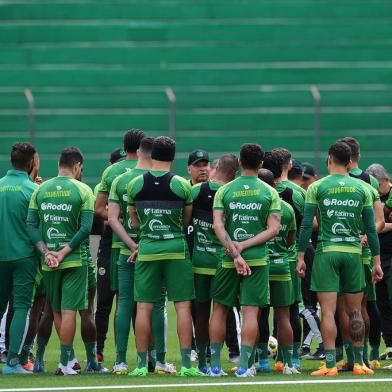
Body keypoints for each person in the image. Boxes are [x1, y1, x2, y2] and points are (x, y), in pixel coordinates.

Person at [297, 141, 383, 376]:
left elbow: (306, 225)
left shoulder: (317, 186)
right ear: (351, 161)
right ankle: (358, 363)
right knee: (355, 311)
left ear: (329, 159)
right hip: (354, 253)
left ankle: (331, 364)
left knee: (328, 311)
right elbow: (371, 229)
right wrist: (375, 262)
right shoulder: (363, 188)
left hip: (327, 251)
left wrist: (301, 256)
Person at [127, 136, 203, 377]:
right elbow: (186, 221)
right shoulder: (182, 185)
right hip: (176, 249)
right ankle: (186, 366)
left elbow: (134, 220)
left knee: (144, 307)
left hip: (148, 249)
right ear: (172, 157)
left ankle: (140, 365)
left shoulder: (135, 184)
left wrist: (149, 232)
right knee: (182, 307)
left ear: (152, 155)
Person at [209, 143, 281, 377]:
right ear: (261, 164)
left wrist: (235, 252)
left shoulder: (224, 191)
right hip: (257, 260)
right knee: (251, 313)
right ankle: (243, 368)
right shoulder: (270, 192)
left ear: (239, 162)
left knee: (219, 310)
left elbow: (218, 226)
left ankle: (215, 367)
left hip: (228, 258)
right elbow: (274, 229)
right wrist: (245, 247)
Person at [27, 147, 96, 376]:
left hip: (48, 261)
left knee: (55, 311)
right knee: (68, 312)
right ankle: (65, 364)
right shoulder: (84, 190)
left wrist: (47, 252)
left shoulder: (41, 189)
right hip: (74, 260)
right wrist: (64, 252)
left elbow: (31, 226)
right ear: (77, 166)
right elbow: (86, 228)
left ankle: (65, 362)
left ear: (59, 164)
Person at [95, 130, 145, 362]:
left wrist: (117, 217)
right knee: (143, 302)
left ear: (124, 148)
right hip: (145, 243)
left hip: (116, 243)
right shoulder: (150, 170)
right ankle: (148, 356)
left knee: (112, 302)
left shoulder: (112, 171)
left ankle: (109, 354)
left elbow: (98, 209)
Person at [336, 137, 384, 370]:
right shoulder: (370, 180)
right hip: (362, 254)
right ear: (359, 155)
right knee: (360, 306)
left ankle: (353, 357)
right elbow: (379, 222)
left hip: (340, 249)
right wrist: (367, 235)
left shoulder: (332, 181)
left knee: (344, 306)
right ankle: (361, 357)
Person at [191, 154, 239, 374]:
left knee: (200, 313)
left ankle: (201, 363)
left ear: (216, 166)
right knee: (221, 312)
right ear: (234, 174)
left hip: (199, 261)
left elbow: (185, 222)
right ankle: (217, 364)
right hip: (223, 262)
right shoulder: (232, 194)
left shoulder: (195, 191)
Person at [0, 142, 40, 375]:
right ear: (32, 163)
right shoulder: (33, 191)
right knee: (22, 308)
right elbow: (37, 227)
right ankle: (13, 362)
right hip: (24, 256)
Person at [258, 165, 300, 375]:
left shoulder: (254, 206)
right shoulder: (287, 208)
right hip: (282, 265)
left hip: (261, 267)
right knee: (284, 316)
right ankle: (289, 363)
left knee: (260, 315)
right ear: (275, 184)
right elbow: (290, 239)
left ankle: (262, 362)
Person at [269, 148, 306, 369]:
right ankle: (292, 358)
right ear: (289, 166)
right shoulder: (297, 193)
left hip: (263, 258)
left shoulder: (261, 190)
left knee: (261, 309)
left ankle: (262, 359)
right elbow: (304, 227)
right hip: (289, 259)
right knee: (291, 308)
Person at [94, 147, 125, 365]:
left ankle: (119, 354)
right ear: (110, 165)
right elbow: (97, 216)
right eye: (118, 163)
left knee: (124, 304)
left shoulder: (132, 183)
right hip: (107, 246)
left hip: (125, 246)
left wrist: (115, 217)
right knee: (104, 303)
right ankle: (98, 350)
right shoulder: (101, 187)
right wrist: (114, 218)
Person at [367, 163, 392, 363]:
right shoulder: (372, 196)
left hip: (390, 254)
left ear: (384, 180)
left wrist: (376, 227)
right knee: (381, 302)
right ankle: (390, 346)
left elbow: (378, 224)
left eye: (376, 184)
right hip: (378, 255)